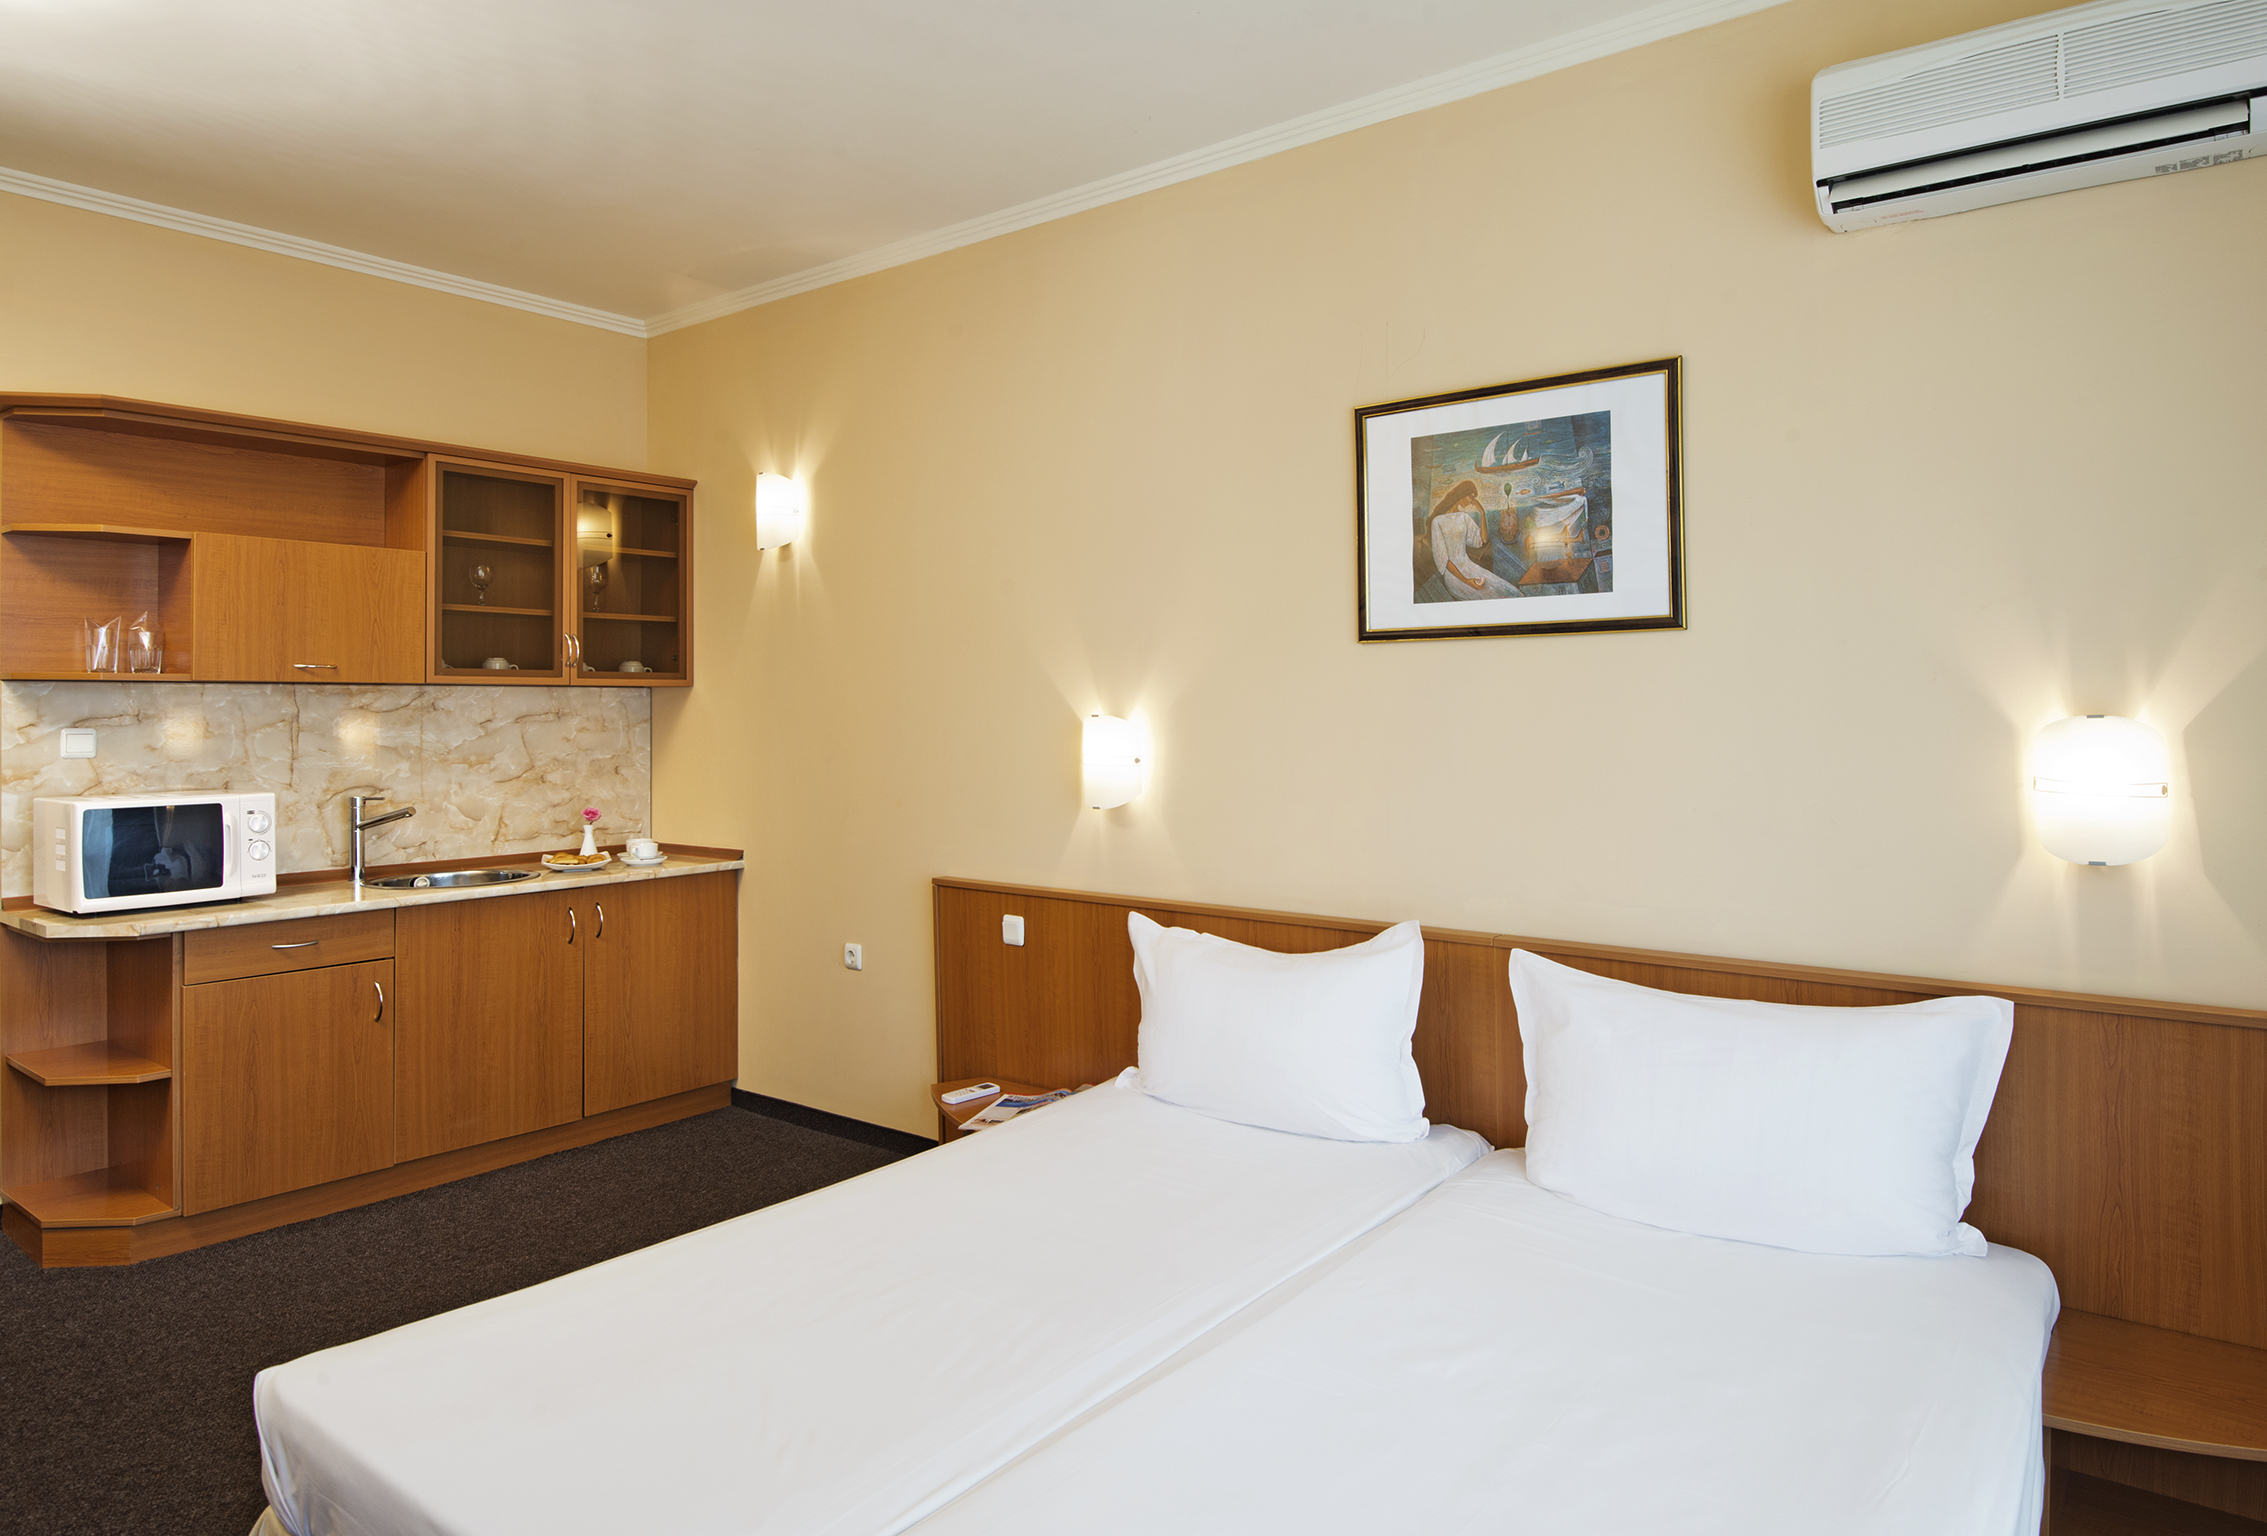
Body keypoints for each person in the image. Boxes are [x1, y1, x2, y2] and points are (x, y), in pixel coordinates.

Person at [1424, 480, 1517, 600]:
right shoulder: (1437, 521)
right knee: (1489, 595)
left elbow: (1483, 539)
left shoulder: (1464, 517)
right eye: (1471, 497)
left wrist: (1482, 512)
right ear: (1462, 494)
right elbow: (1443, 560)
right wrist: (1467, 581)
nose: (1471, 501)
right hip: (1453, 575)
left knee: (1503, 588)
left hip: (1468, 566)